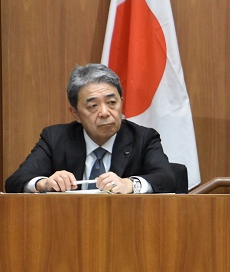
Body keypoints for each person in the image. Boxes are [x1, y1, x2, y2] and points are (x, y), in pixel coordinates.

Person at [5, 63, 176, 194]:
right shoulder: (55, 138)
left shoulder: (143, 138)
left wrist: (130, 184)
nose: (104, 113)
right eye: (93, 106)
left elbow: (167, 179)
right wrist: (44, 183)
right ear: (76, 114)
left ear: (121, 103)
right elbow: (16, 181)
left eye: (112, 103)